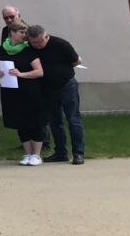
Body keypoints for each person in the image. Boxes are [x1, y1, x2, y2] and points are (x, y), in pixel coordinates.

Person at [29, 25, 85, 164]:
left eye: (39, 41)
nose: (37, 45)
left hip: (67, 85)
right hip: (47, 89)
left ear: (46, 36)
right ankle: (60, 152)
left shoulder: (61, 44)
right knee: (55, 122)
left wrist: (61, 70)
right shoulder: (31, 49)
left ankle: (78, 153)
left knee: (73, 119)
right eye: (33, 42)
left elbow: (77, 61)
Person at [0, 21, 46, 166]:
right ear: (12, 33)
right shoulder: (2, 49)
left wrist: (21, 74)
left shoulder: (29, 50)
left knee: (34, 121)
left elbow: (39, 71)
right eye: (22, 33)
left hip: (29, 90)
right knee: (19, 121)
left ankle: (37, 154)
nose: (24, 36)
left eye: (25, 33)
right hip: (11, 90)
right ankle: (27, 153)